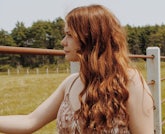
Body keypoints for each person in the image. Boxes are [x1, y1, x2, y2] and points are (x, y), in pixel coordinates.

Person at [0, 4, 154, 134]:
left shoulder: (130, 82)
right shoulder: (71, 83)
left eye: (69, 35)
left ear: (90, 38)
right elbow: (30, 121)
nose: (62, 42)